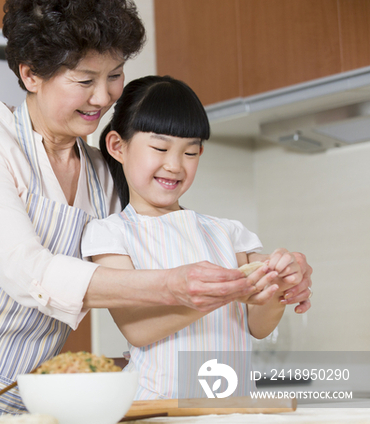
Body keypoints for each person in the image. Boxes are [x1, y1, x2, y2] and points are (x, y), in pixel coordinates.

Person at [0, 0, 312, 421]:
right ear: (30, 74)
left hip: (8, 396)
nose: (103, 97)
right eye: (84, 79)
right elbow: (30, 272)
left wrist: (270, 274)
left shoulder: (104, 172)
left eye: (114, 75)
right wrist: (173, 285)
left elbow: (169, 236)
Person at [81, 75, 306, 399]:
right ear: (118, 146)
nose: (174, 165)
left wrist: (280, 282)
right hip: (157, 409)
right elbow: (138, 329)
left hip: (231, 406)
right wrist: (223, 294)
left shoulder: (228, 232)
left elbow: (259, 326)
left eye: (190, 152)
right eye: (160, 147)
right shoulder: (111, 234)